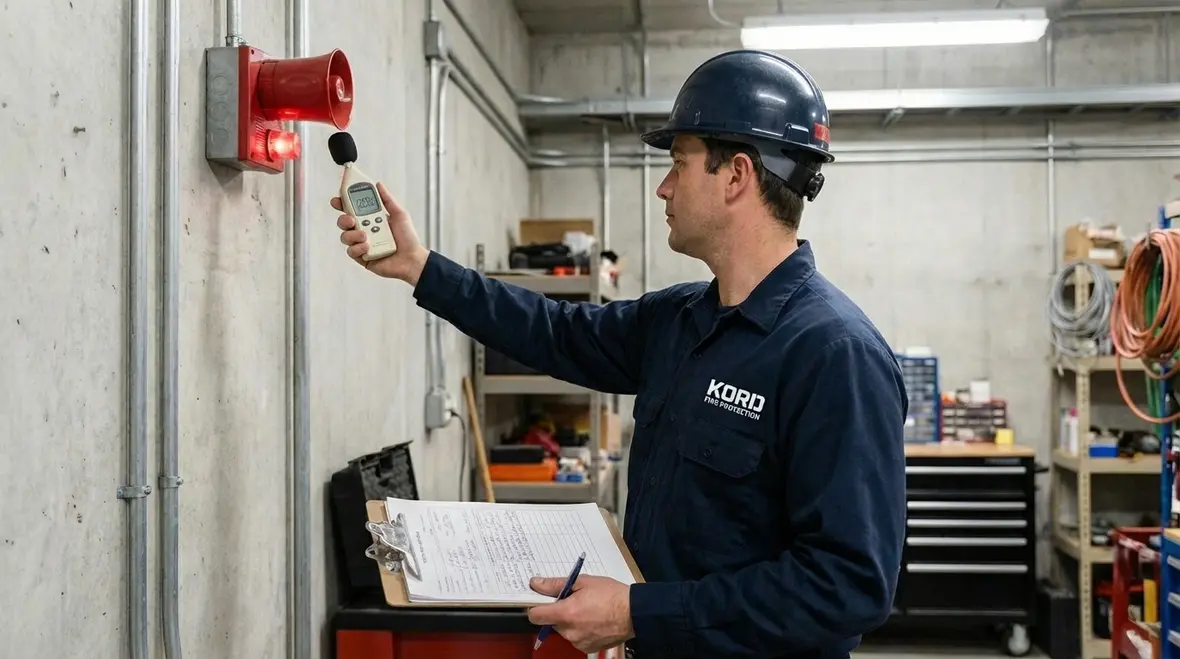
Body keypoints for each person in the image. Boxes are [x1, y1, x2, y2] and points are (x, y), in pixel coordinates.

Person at [332, 50, 908, 659]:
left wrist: (639, 612)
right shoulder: (681, 320)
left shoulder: (835, 354)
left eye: (678, 165)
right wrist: (421, 269)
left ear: (737, 175)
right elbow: (556, 331)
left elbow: (848, 587)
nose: (663, 187)